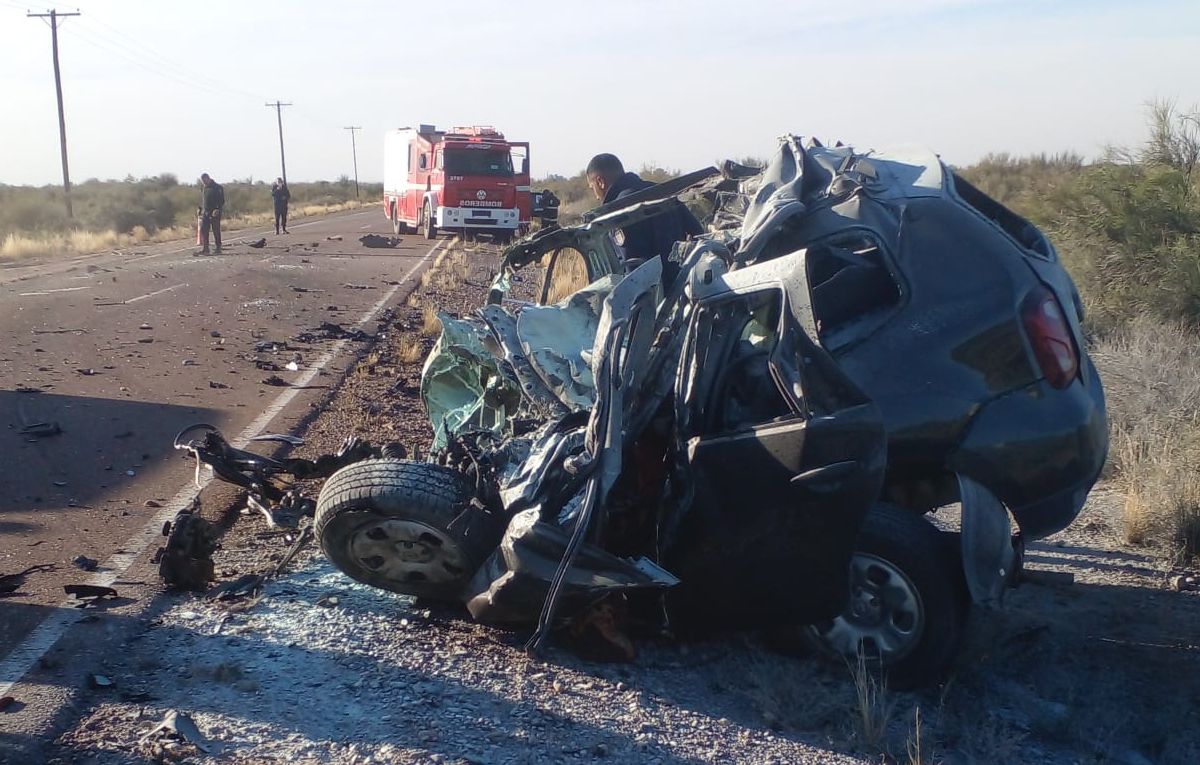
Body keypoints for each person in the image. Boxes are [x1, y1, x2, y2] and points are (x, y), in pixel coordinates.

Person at [585, 153, 702, 287]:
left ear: (600, 181)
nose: (596, 197)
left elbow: (633, 270)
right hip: (688, 289)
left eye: (592, 187)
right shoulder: (662, 192)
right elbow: (699, 235)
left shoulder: (617, 213)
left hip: (657, 301)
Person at [197, 173, 225, 254]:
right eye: (202, 181)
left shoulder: (217, 187)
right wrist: (200, 208)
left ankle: (218, 248)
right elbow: (204, 200)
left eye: (205, 180)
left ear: (208, 178)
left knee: (216, 230)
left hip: (215, 212)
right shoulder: (204, 188)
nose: (204, 182)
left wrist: (217, 209)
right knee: (203, 230)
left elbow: (222, 200)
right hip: (206, 212)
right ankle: (206, 249)